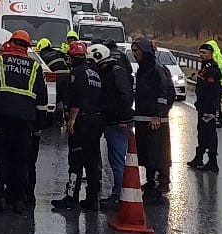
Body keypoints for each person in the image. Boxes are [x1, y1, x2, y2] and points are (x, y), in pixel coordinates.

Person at [0, 31, 44, 212]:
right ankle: (18, 200)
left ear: (11, 43)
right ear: (27, 46)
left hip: (3, 116)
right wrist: (39, 125)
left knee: (1, 157)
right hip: (25, 120)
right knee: (21, 159)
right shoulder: (35, 66)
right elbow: (42, 99)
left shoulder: (1, 60)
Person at [51, 40, 105, 211]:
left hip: (82, 120)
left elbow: (77, 98)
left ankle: (71, 197)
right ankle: (92, 198)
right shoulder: (95, 73)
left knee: (75, 160)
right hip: (96, 121)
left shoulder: (77, 73)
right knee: (92, 161)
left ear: (72, 56)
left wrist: (72, 119)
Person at [90, 44, 134, 211]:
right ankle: (119, 194)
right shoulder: (110, 72)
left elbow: (126, 95)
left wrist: (124, 117)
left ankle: (119, 196)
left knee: (117, 160)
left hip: (118, 121)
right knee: (114, 159)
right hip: (112, 120)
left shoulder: (115, 73)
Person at [131, 38, 174, 202]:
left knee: (158, 154)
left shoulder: (156, 69)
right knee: (147, 153)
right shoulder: (143, 69)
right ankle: (150, 182)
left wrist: (159, 115)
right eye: (133, 51)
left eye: (137, 51)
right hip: (143, 119)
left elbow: (165, 94)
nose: (135, 54)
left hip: (155, 121)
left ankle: (160, 185)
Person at [190, 48, 222, 172]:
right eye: (200, 52)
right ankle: (199, 158)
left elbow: (212, 91)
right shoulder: (204, 67)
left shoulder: (212, 70)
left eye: (203, 53)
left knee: (210, 133)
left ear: (210, 54)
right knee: (202, 131)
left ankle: (212, 161)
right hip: (202, 106)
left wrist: (209, 108)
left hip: (208, 107)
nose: (201, 55)